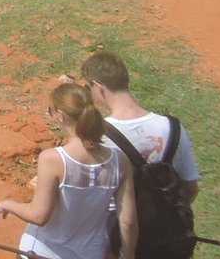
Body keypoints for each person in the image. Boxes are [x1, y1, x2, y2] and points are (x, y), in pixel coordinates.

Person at [0, 81, 137, 259]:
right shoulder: (120, 160)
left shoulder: (52, 159)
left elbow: (39, 216)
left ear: (60, 116)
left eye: (50, 111)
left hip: (43, 251)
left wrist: (7, 204)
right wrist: (126, 255)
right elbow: (128, 222)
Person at [81, 51, 201, 207]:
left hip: (117, 228)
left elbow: (88, 194)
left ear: (98, 87)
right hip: (166, 229)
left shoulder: (98, 135)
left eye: (88, 86)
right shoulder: (174, 128)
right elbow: (191, 187)